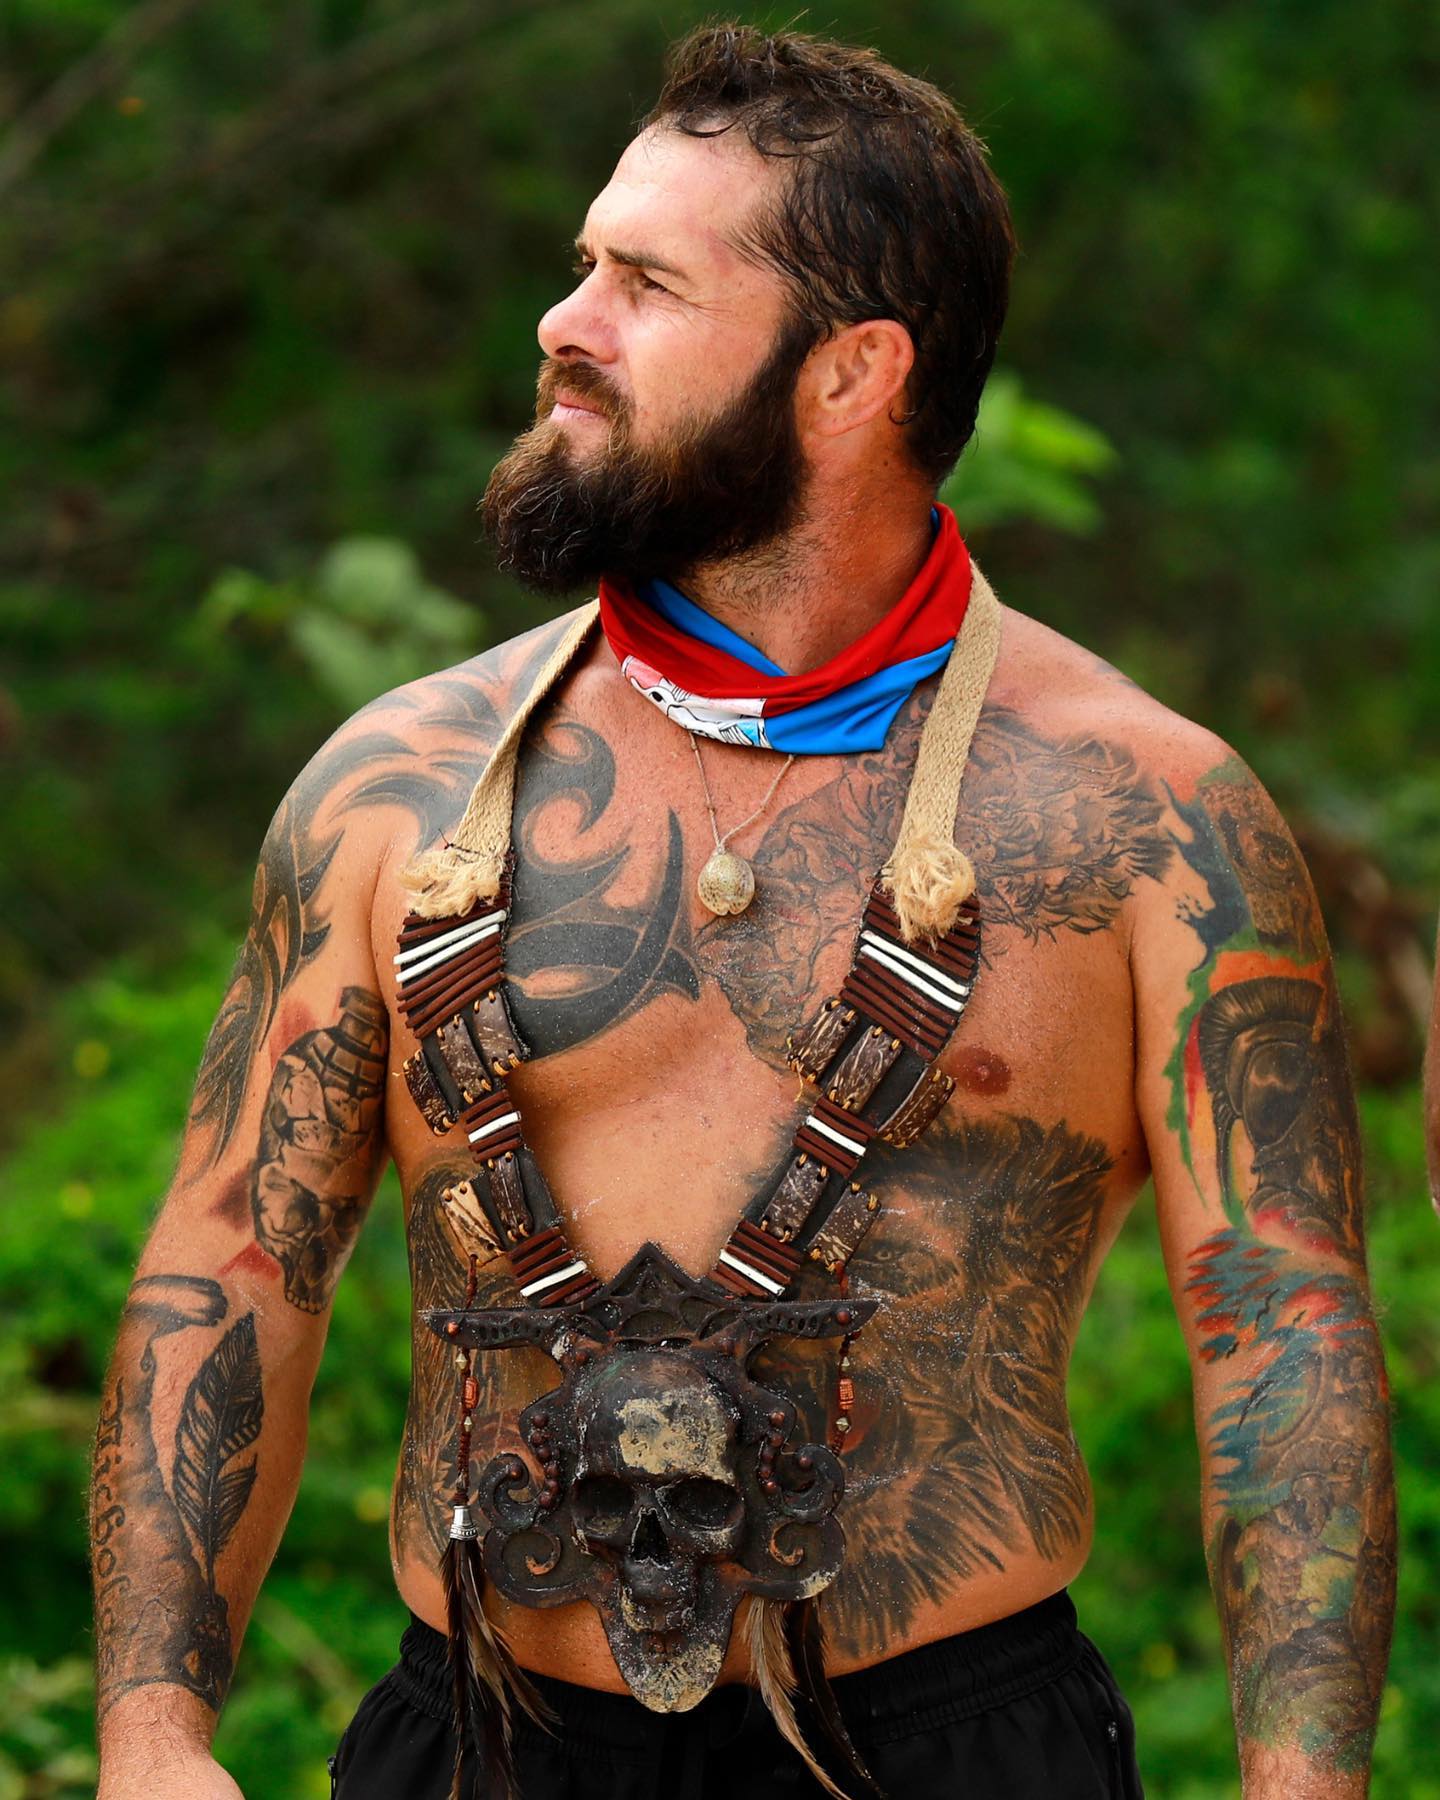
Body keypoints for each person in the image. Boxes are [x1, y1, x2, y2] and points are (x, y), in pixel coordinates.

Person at [90, 23, 1395, 1800]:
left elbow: (1284, 1340)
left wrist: (1303, 1788)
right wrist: (151, 1737)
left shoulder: (1154, 824)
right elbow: (231, 1267)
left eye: (646, 284)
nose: (565, 321)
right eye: (583, 265)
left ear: (852, 373)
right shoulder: (396, 792)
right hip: (479, 1743)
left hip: (953, 1750)